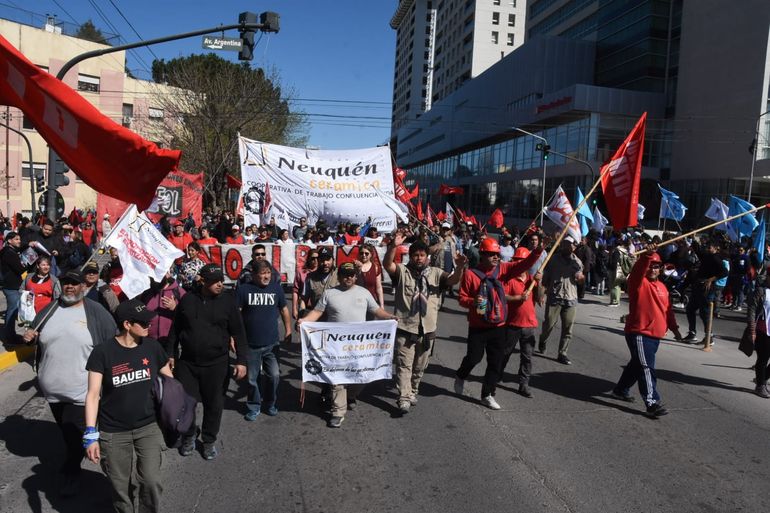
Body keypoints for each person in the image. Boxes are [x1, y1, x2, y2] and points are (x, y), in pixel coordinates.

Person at [22, 269, 117, 496]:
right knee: (68, 432)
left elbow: (112, 343)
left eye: (75, 283)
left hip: (83, 392)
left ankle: (76, 474)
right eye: (66, 282)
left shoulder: (96, 312)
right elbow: (36, 336)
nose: (70, 287)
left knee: (75, 437)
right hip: (53, 393)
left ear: (83, 286)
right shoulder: (49, 310)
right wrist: (28, 338)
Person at [84, 299, 172, 513]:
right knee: (120, 487)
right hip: (114, 431)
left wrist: (178, 413)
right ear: (127, 324)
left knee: (151, 481)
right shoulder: (102, 352)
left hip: (148, 426)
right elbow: (93, 395)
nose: (149, 325)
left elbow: (170, 383)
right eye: (143, 323)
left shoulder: (152, 347)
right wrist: (90, 435)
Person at [298, 262, 397, 427]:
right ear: (339, 276)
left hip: (360, 347)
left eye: (351, 275)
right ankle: (338, 411)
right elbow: (316, 312)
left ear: (356, 276)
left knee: (363, 376)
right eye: (345, 274)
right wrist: (305, 321)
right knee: (338, 378)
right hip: (336, 348)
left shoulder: (364, 293)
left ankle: (351, 396)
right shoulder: (329, 293)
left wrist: (389, 317)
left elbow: (376, 310)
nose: (348, 277)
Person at [168, 264, 248, 460]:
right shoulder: (187, 300)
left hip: (217, 364)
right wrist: (171, 354)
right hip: (188, 364)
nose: (220, 284)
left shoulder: (228, 302)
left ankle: (209, 439)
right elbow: (175, 330)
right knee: (185, 404)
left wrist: (241, 361)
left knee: (214, 404)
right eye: (214, 281)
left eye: (221, 280)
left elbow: (239, 333)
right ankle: (189, 435)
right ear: (202, 281)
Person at [454, 237, 544, 409]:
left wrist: (538, 250)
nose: (496, 257)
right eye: (491, 254)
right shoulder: (470, 274)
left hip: (498, 326)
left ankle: (487, 394)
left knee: (495, 362)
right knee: (474, 358)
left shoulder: (503, 269)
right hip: (478, 326)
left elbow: (524, 264)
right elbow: (462, 298)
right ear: (482, 255)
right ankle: (461, 375)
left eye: (497, 254)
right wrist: (473, 301)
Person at [383, 234, 466, 413]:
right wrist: (392, 247)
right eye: (415, 255)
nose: (419, 258)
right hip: (406, 328)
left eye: (422, 255)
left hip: (427, 330)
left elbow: (453, 280)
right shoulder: (402, 272)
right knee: (404, 365)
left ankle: (413, 390)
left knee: (419, 366)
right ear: (410, 256)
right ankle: (404, 397)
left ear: (427, 256)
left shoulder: (436, 273)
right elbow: (387, 265)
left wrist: (459, 267)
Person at [611, 247, 682, 417]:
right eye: (650, 266)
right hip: (639, 333)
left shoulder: (663, 287)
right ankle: (652, 402)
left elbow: (668, 311)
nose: (653, 269)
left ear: (660, 268)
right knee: (646, 367)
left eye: (656, 266)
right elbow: (637, 271)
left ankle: (620, 390)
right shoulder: (638, 283)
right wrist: (646, 257)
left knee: (637, 365)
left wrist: (675, 329)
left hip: (656, 335)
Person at [236, 260, 292, 420]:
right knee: (252, 379)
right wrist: (234, 337)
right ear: (253, 275)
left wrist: (288, 330)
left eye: (268, 273)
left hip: (272, 343)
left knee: (274, 375)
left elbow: (284, 309)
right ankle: (254, 406)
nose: (266, 276)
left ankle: (270, 403)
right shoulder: (243, 290)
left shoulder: (276, 288)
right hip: (250, 345)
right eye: (262, 273)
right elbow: (236, 315)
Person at [501, 247, 542, 398]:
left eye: (522, 261)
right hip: (512, 324)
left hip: (529, 325)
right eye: (517, 261)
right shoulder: (510, 279)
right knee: (505, 353)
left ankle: (524, 384)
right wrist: (518, 298)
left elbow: (540, 298)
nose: (520, 264)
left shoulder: (532, 279)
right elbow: (503, 297)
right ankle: (497, 373)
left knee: (527, 357)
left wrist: (539, 282)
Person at [537, 235, 584, 365]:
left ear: (574, 247)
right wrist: (541, 294)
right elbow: (545, 279)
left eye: (571, 244)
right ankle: (543, 340)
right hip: (554, 297)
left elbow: (580, 281)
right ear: (562, 245)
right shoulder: (553, 259)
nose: (568, 246)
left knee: (568, 328)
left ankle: (562, 353)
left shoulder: (577, 262)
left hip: (570, 299)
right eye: (566, 244)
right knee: (549, 325)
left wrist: (581, 279)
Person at [683, 240, 728, 343]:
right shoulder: (706, 256)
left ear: (716, 248)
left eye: (709, 247)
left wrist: (711, 279)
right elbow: (698, 250)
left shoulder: (716, 258)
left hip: (706, 288)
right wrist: (692, 238)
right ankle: (692, 333)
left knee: (704, 313)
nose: (707, 249)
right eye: (707, 247)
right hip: (698, 286)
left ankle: (709, 337)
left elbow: (725, 272)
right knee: (690, 309)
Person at [747, 273, 770, 398]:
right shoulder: (761, 291)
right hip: (763, 330)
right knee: (763, 358)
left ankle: (762, 379)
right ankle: (760, 386)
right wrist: (752, 330)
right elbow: (752, 310)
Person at [1, 231, 24, 343]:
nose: (19, 241)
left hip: (9, 284)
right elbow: (20, 269)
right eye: (16, 239)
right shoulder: (9, 253)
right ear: (9, 241)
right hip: (11, 285)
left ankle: (10, 335)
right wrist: (28, 262)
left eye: (19, 239)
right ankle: (10, 338)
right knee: (12, 311)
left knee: (13, 310)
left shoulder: (8, 250)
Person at [356, 243, 385, 310]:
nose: (364, 255)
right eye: (361, 253)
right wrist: (358, 270)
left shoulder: (376, 268)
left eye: (366, 253)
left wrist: (381, 305)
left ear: (371, 254)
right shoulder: (354, 266)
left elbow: (378, 288)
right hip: (356, 301)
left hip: (371, 302)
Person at [609, 236, 635, 307]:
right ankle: (614, 301)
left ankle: (615, 301)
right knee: (617, 286)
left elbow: (615, 261)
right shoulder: (625, 250)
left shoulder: (617, 250)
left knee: (614, 286)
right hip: (621, 269)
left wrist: (611, 267)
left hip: (616, 269)